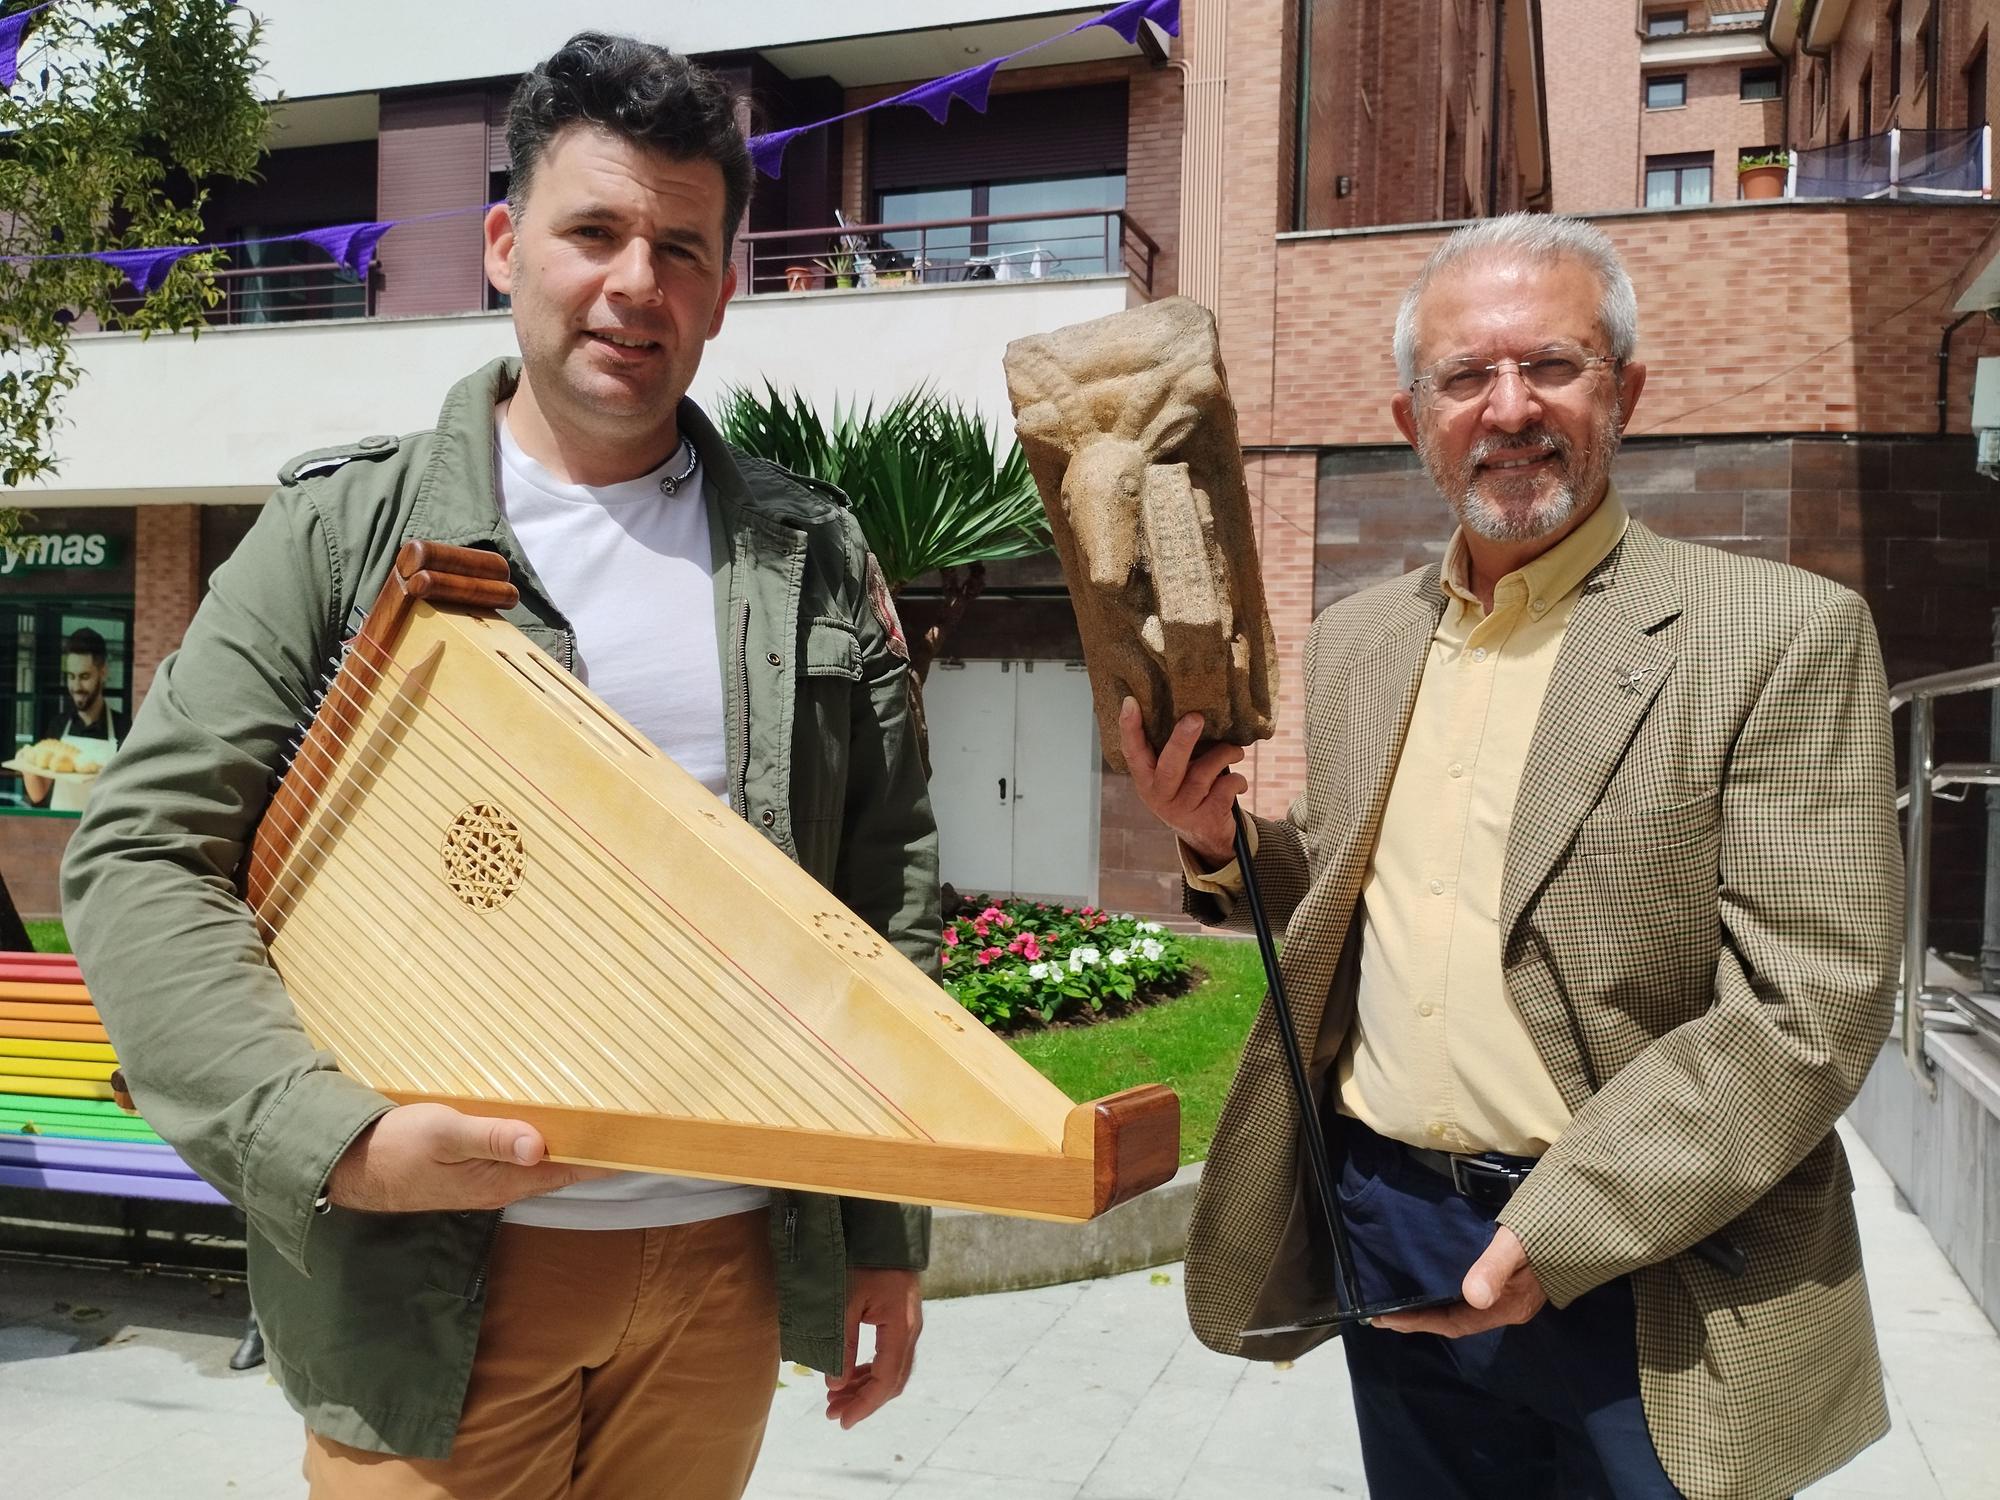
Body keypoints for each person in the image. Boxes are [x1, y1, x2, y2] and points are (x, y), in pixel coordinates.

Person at [63, 33, 937, 1500]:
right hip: (433, 1289)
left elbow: (880, 897)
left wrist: (880, 1235)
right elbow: (140, 856)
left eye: (680, 246)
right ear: (500, 244)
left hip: (721, 1279)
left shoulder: (810, 553)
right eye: (592, 231)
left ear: (725, 286)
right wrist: (336, 1140)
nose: (634, 284)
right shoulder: (342, 539)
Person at [1120, 214, 1899, 1499]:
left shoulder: (1777, 634)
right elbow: (1345, 906)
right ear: (1408, 415)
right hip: (1391, 1223)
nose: (1508, 408)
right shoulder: (1365, 637)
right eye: (1465, 377)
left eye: (1551, 365)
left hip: (1647, 1251)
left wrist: (1562, 1228)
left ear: (1625, 392)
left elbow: (1808, 1003)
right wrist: (1219, 843)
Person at [21, 627, 131, 808]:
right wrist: (27, 766)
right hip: (61, 832)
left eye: (84, 676)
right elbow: (37, 795)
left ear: (103, 673)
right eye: (71, 677)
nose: (76, 686)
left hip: (102, 832)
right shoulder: (58, 725)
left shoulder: (123, 727)